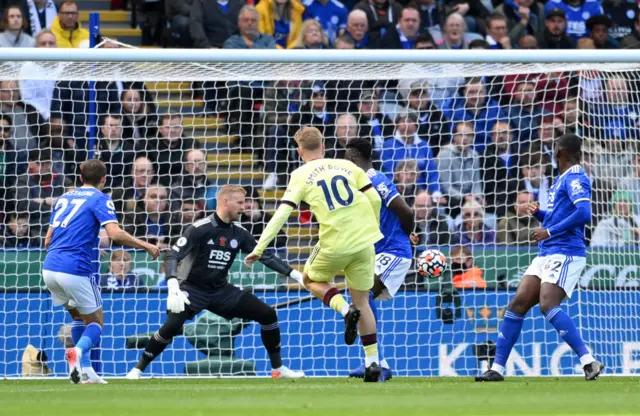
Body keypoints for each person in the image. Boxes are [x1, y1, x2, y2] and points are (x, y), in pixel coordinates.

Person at [245, 126, 385, 382]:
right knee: (363, 302)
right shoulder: (348, 166)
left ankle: (343, 310)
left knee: (310, 279)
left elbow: (282, 214)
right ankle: (373, 363)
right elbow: (374, 199)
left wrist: (259, 248)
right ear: (323, 146)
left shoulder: (299, 175)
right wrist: (372, 226)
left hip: (335, 242)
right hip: (366, 241)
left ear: (299, 151)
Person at [126, 185, 305, 380]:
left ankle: (278, 369)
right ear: (225, 202)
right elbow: (172, 255)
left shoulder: (239, 232)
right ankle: (137, 370)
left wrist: (296, 276)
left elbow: (265, 256)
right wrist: (173, 285)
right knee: (172, 327)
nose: (243, 207)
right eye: (239, 202)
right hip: (191, 289)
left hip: (220, 290)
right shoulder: (199, 228)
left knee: (268, 314)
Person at [476, 133, 604, 382]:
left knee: (547, 303)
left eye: (554, 148)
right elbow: (559, 219)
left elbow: (584, 213)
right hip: (547, 252)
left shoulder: (576, 177)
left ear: (559, 152)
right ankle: (497, 369)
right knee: (517, 304)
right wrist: (540, 214)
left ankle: (588, 361)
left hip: (566, 252)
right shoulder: (560, 180)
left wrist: (549, 230)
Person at [42, 159, 159, 385]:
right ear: (104, 179)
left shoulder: (64, 198)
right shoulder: (101, 198)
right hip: (75, 269)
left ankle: (85, 371)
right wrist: (145, 244)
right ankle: (77, 352)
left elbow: (48, 239)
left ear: (80, 177)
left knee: (77, 316)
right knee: (96, 323)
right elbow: (114, 234)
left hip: (50, 268)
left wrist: (88, 240)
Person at [344, 137, 418, 382]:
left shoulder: (376, 180)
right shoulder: (358, 183)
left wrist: (405, 235)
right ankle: (375, 361)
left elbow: (406, 211)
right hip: (379, 251)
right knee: (359, 296)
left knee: (362, 295)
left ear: (354, 157)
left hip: (394, 252)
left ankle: (377, 363)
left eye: (347, 157)